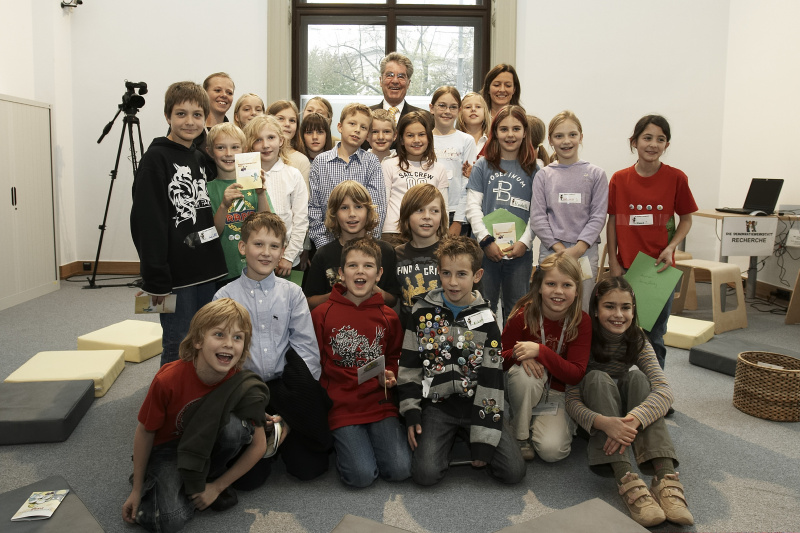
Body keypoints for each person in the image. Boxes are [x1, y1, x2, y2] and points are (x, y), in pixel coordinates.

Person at [122, 298, 269, 532]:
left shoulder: (241, 384)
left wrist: (218, 487)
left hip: (207, 446)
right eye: (219, 334)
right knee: (172, 520)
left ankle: (204, 481)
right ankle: (158, 484)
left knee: (235, 427)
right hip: (167, 450)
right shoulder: (167, 380)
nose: (229, 344)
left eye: (237, 337)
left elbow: (259, 445)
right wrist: (137, 490)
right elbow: (145, 431)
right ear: (199, 340)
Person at [397, 235, 526, 486]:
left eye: (462, 274)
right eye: (446, 273)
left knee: (513, 472)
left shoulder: (487, 319)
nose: (453, 282)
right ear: (438, 273)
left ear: (477, 275)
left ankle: (479, 436)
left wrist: (484, 440)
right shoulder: (421, 311)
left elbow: (492, 380)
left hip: (479, 404)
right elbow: (409, 367)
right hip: (438, 407)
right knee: (425, 475)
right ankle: (450, 440)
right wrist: (411, 412)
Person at [565, 277, 693, 527]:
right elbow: (571, 400)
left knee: (638, 379)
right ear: (596, 308)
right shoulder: (583, 337)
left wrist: (633, 420)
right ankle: (625, 477)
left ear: (634, 311)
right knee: (597, 378)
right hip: (595, 415)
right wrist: (603, 422)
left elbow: (665, 392)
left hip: (626, 417)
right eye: (609, 306)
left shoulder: (638, 339)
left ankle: (665, 477)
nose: (618, 314)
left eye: (626, 307)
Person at [215, 212, 331, 481]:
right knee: (248, 481)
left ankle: (284, 430)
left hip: (286, 385)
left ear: (282, 251)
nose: (266, 253)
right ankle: (260, 435)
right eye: (258, 244)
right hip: (245, 389)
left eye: (274, 246)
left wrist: (302, 401)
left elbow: (306, 349)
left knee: (309, 469)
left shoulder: (291, 293)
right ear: (243, 248)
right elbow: (220, 354)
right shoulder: (225, 296)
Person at [130, 81, 227, 366]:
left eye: (197, 114)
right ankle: (168, 406)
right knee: (179, 341)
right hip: (175, 278)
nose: (189, 121)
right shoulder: (155, 159)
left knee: (206, 338)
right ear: (167, 116)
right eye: (181, 114)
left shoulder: (197, 157)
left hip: (206, 271)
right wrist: (155, 277)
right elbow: (148, 223)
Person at [311, 238, 411, 488]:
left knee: (401, 469)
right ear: (341, 274)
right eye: (352, 266)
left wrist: (389, 374)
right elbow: (314, 363)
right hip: (342, 407)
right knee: (361, 476)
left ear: (378, 275)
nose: (359, 271)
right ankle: (349, 446)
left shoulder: (389, 317)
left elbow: (394, 357)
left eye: (367, 266)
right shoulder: (321, 314)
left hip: (379, 403)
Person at [606, 115, 697, 369]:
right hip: (626, 268)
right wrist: (614, 261)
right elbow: (612, 221)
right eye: (647, 138)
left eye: (661, 139)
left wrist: (671, 247)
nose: (653, 144)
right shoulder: (619, 179)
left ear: (667, 145)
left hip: (659, 269)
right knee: (620, 331)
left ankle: (655, 393)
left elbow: (687, 219)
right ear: (634, 142)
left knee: (655, 334)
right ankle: (620, 388)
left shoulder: (676, 178)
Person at [501, 252, 590, 462]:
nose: (558, 291)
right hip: (523, 386)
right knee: (527, 375)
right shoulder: (521, 316)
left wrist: (541, 351)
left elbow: (576, 374)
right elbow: (498, 358)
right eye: (551, 283)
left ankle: (535, 420)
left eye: (567, 285)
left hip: (558, 394)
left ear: (577, 290)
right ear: (539, 287)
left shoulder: (582, 321)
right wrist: (519, 355)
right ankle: (521, 434)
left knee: (552, 452)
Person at [529, 110, 608, 311]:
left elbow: (598, 215)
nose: (566, 141)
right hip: (551, 251)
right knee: (548, 305)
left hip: (585, 253)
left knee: (581, 307)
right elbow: (538, 217)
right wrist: (559, 249)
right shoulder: (544, 176)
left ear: (581, 137)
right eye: (559, 136)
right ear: (550, 140)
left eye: (572, 135)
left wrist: (578, 249)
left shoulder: (596, 174)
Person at [466, 104, 537, 324]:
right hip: (485, 251)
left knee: (517, 310)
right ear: (495, 132)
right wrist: (486, 241)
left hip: (519, 253)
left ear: (525, 132)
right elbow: (472, 207)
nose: (510, 134)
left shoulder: (534, 169)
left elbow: (538, 212)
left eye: (516, 128)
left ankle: (511, 356)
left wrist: (525, 242)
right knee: (482, 306)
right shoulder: (483, 166)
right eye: (504, 129)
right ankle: (484, 356)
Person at [304, 180, 400, 310]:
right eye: (344, 208)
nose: (352, 214)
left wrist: (373, 290)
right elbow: (310, 300)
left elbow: (393, 299)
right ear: (334, 214)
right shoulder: (323, 254)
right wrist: (341, 292)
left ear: (368, 211)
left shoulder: (386, 251)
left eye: (358, 206)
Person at [308, 103, 387, 248]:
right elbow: (314, 208)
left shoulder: (371, 162)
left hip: (364, 246)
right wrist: (325, 246)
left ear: (368, 135)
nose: (357, 130)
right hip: (328, 244)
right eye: (352, 123)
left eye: (363, 127)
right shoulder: (321, 162)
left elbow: (377, 208)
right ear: (339, 127)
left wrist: (368, 243)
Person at [243, 115, 308, 279]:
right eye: (258, 140)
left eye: (270, 137)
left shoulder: (293, 175)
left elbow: (301, 221)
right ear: (250, 145)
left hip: (284, 262)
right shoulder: (243, 176)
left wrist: (289, 257)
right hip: (249, 262)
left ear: (280, 140)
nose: (265, 145)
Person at [207, 123, 272, 286]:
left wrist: (261, 194)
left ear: (243, 150)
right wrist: (223, 206)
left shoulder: (253, 183)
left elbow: (268, 224)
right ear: (210, 152)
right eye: (220, 147)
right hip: (224, 271)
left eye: (235, 147)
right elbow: (212, 233)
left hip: (255, 266)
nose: (228, 154)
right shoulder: (208, 189)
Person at [382, 111, 450, 245]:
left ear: (429, 138)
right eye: (410, 135)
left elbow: (444, 208)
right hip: (393, 233)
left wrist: (444, 236)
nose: (416, 140)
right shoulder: (389, 164)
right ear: (401, 139)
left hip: (428, 233)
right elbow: (382, 203)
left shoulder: (439, 169)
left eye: (421, 134)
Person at [393, 183, 448, 328]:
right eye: (419, 210)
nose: (427, 217)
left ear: (442, 216)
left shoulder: (452, 253)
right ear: (406, 215)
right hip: (407, 337)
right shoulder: (396, 255)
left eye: (434, 211)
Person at [429, 86, 477, 236]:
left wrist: (458, 220)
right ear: (431, 108)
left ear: (459, 110)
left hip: (455, 211)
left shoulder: (466, 140)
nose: (447, 111)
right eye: (442, 105)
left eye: (453, 107)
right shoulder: (424, 139)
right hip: (427, 209)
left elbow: (467, 183)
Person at [367, 52, 427, 150]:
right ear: (381, 80)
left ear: (408, 83)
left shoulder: (425, 119)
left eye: (401, 76)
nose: (395, 81)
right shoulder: (366, 116)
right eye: (390, 75)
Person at [267, 100, 311, 188]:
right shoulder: (259, 154)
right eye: (280, 119)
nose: (287, 124)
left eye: (292, 120)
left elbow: (303, 199)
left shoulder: (301, 160)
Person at [457, 91, 491, 156]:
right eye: (468, 107)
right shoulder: (455, 141)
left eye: (478, 107)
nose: (473, 109)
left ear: (485, 112)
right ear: (460, 112)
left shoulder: (494, 141)